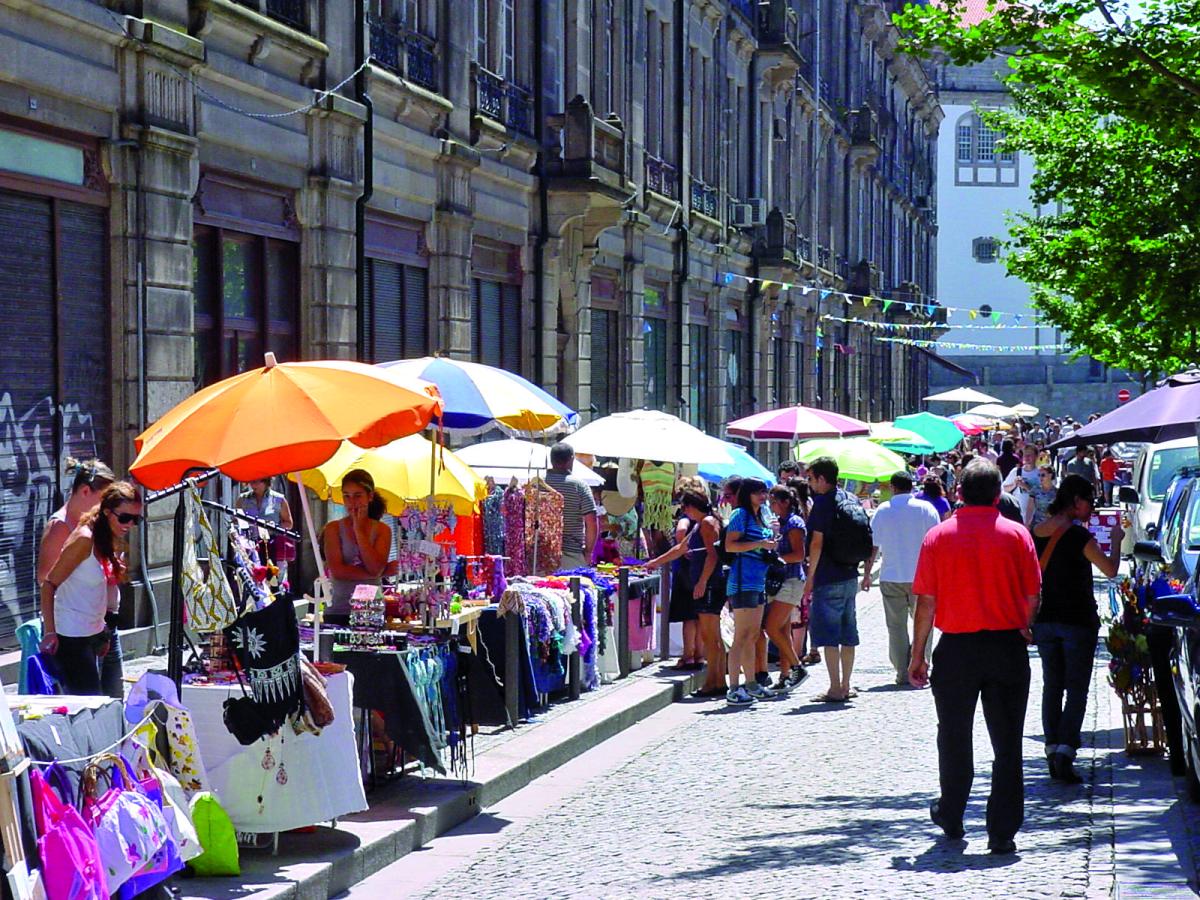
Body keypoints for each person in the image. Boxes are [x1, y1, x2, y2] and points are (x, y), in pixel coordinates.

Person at [910, 459, 1042, 855]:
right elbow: (1033, 593)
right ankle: (1002, 830)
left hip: (957, 648)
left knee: (954, 735)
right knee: (1007, 742)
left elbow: (926, 602)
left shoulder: (938, 536)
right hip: (1006, 646)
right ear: (999, 495)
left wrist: (917, 655)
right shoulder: (1017, 535)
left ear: (959, 493)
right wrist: (1025, 624)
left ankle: (951, 812)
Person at [1032, 474, 1122, 782]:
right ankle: (1065, 751)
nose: (1092, 509)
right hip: (1077, 620)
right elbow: (1110, 570)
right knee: (1076, 688)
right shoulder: (1079, 536)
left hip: (1045, 620)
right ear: (1076, 500)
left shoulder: (1035, 532)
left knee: (1052, 686)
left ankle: (1051, 747)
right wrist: (1117, 540)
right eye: (1090, 502)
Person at [39, 482, 142, 696]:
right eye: (125, 518)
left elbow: (97, 591)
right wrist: (49, 633)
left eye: (136, 519)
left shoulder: (106, 535)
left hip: (95, 632)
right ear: (107, 512)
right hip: (71, 635)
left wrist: (103, 631)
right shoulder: (84, 539)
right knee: (91, 705)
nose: (130, 524)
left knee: (112, 699)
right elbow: (48, 584)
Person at [862, 472, 941, 685]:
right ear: (911, 486)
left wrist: (867, 574)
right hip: (922, 576)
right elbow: (937, 543)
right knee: (923, 624)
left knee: (895, 626)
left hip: (892, 575)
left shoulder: (883, 510)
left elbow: (873, 546)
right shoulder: (926, 509)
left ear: (893, 488)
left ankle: (902, 672)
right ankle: (921, 667)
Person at [645, 491, 727, 697]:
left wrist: (702, 581)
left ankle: (713, 682)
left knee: (710, 637)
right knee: (712, 637)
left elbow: (713, 555)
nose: (684, 511)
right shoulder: (702, 523)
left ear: (691, 506)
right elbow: (681, 548)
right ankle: (717, 681)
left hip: (710, 584)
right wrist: (656, 562)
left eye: (684, 507)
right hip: (708, 583)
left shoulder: (707, 523)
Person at [803, 457, 862, 703]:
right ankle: (846, 684)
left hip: (828, 575)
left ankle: (835, 687)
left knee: (830, 636)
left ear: (822, 478)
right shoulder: (850, 498)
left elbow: (816, 543)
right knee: (848, 633)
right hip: (850, 573)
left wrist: (810, 578)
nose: (809, 483)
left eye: (811, 478)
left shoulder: (822, 503)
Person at [723, 478, 778, 705]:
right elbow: (730, 546)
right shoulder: (740, 515)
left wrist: (771, 539)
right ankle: (734, 688)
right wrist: (760, 544)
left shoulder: (761, 515)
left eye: (764, 492)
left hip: (758, 580)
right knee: (741, 636)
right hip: (742, 581)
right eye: (758, 493)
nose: (763, 497)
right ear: (748, 494)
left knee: (753, 635)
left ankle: (752, 683)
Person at [322, 469, 392, 625]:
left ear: (370, 496)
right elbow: (338, 572)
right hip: (339, 610)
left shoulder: (382, 530)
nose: (352, 502)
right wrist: (375, 573)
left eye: (358, 496)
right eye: (347, 496)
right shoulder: (333, 529)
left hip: (371, 611)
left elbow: (375, 567)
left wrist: (359, 531)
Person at [765, 485, 810, 691]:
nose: (771, 505)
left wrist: (776, 558)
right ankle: (784, 675)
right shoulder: (781, 523)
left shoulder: (794, 523)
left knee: (771, 627)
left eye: (774, 502)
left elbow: (799, 554)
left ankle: (797, 667)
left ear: (785, 502)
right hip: (782, 581)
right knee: (783, 630)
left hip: (791, 580)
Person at [544, 442, 599, 571]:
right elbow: (591, 522)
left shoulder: (537, 484)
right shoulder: (579, 486)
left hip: (541, 554)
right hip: (571, 554)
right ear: (571, 459)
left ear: (551, 460)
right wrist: (588, 552)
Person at [238, 477, 295, 585]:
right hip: (249, 545)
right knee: (250, 579)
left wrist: (274, 526)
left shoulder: (278, 499)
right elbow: (236, 520)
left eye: (256, 481)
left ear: (265, 482)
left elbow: (289, 523)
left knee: (272, 580)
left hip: (271, 544)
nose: (253, 485)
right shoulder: (243, 499)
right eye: (251, 482)